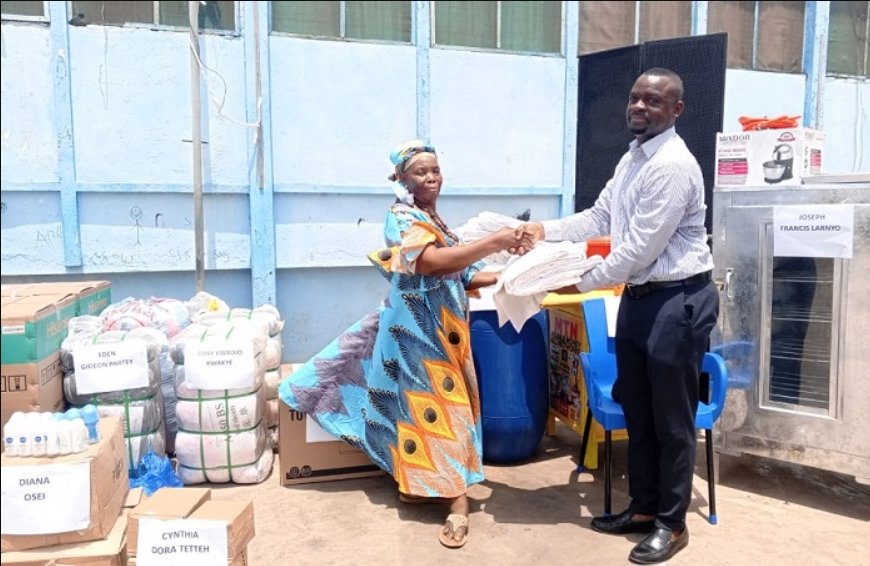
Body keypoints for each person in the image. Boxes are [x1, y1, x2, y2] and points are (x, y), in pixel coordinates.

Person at [279, 140, 530, 549]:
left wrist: (523, 275)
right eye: (420, 172)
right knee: (445, 411)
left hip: (445, 334)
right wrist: (495, 241)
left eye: (435, 169)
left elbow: (466, 273)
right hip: (417, 334)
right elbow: (428, 262)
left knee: (417, 409)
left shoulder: (436, 221)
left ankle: (419, 483)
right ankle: (458, 503)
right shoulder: (400, 217)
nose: (431, 177)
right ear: (402, 180)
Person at [514, 67, 719, 564]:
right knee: (639, 410)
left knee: (671, 420)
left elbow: (637, 250)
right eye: (635, 98)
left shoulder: (672, 165)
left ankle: (672, 524)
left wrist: (571, 282)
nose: (639, 107)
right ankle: (644, 508)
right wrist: (543, 231)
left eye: (653, 100)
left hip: (677, 300)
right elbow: (599, 217)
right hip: (639, 299)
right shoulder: (632, 158)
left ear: (676, 109)